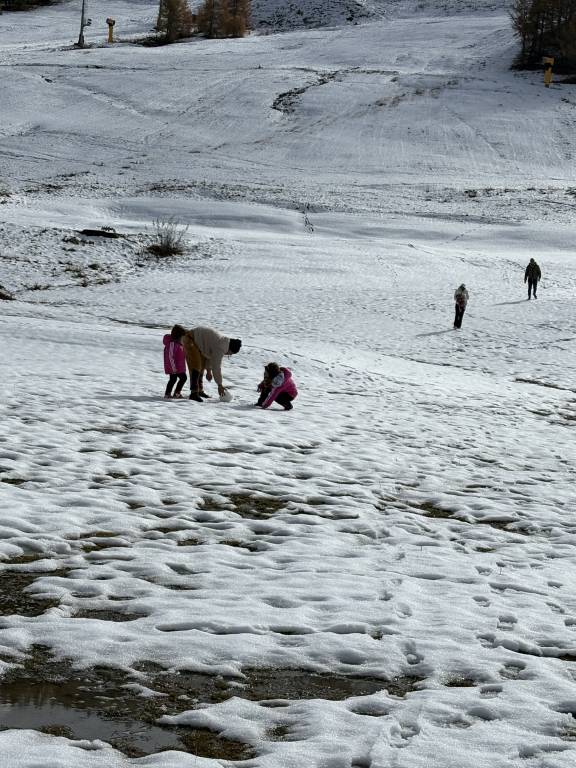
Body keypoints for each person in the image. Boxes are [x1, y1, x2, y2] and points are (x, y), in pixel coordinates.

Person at [182, 326, 242, 402]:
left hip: (197, 342)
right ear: (230, 349)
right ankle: (194, 393)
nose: (228, 355)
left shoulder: (223, 342)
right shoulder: (221, 347)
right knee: (196, 366)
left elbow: (210, 357)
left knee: (201, 366)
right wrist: (220, 385)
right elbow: (216, 367)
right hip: (190, 338)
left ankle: (199, 391)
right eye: (230, 354)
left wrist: (209, 371)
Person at [163, 324, 187, 399]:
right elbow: (170, 357)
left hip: (179, 367)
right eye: (182, 336)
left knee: (182, 378)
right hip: (173, 367)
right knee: (173, 379)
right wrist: (173, 368)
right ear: (178, 336)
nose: (183, 338)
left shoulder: (179, 343)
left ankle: (176, 393)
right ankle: (168, 394)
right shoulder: (172, 344)